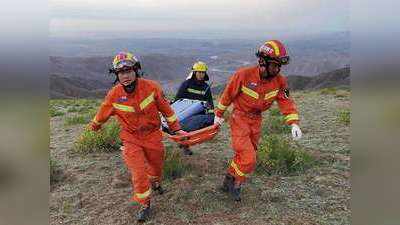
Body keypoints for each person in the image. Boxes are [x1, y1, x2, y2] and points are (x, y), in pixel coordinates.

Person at [88, 52, 186, 222]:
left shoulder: (152, 87)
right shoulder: (114, 95)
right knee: (139, 172)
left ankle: (155, 182)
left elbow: (167, 111)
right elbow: (102, 114)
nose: (125, 76)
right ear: (116, 75)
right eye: (121, 73)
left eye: (128, 71)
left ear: (136, 70)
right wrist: (94, 126)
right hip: (130, 138)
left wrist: (176, 129)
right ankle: (145, 203)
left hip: (153, 136)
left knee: (156, 166)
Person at [214, 40, 303, 201]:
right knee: (249, 158)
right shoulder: (243, 75)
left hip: (256, 121)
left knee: (245, 155)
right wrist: (218, 115)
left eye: (279, 66)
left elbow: (285, 101)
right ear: (262, 62)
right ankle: (237, 184)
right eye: (275, 65)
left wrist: (294, 123)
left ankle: (229, 178)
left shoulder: (279, 81)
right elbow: (227, 95)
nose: (277, 69)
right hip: (239, 118)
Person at [174, 61, 215, 155]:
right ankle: (185, 145)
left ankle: (184, 142)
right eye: (199, 72)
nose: (201, 74)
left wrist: (212, 115)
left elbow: (210, 102)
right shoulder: (186, 84)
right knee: (186, 128)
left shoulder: (206, 87)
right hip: (184, 112)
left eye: (203, 72)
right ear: (194, 72)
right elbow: (178, 99)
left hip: (199, 113)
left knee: (208, 120)